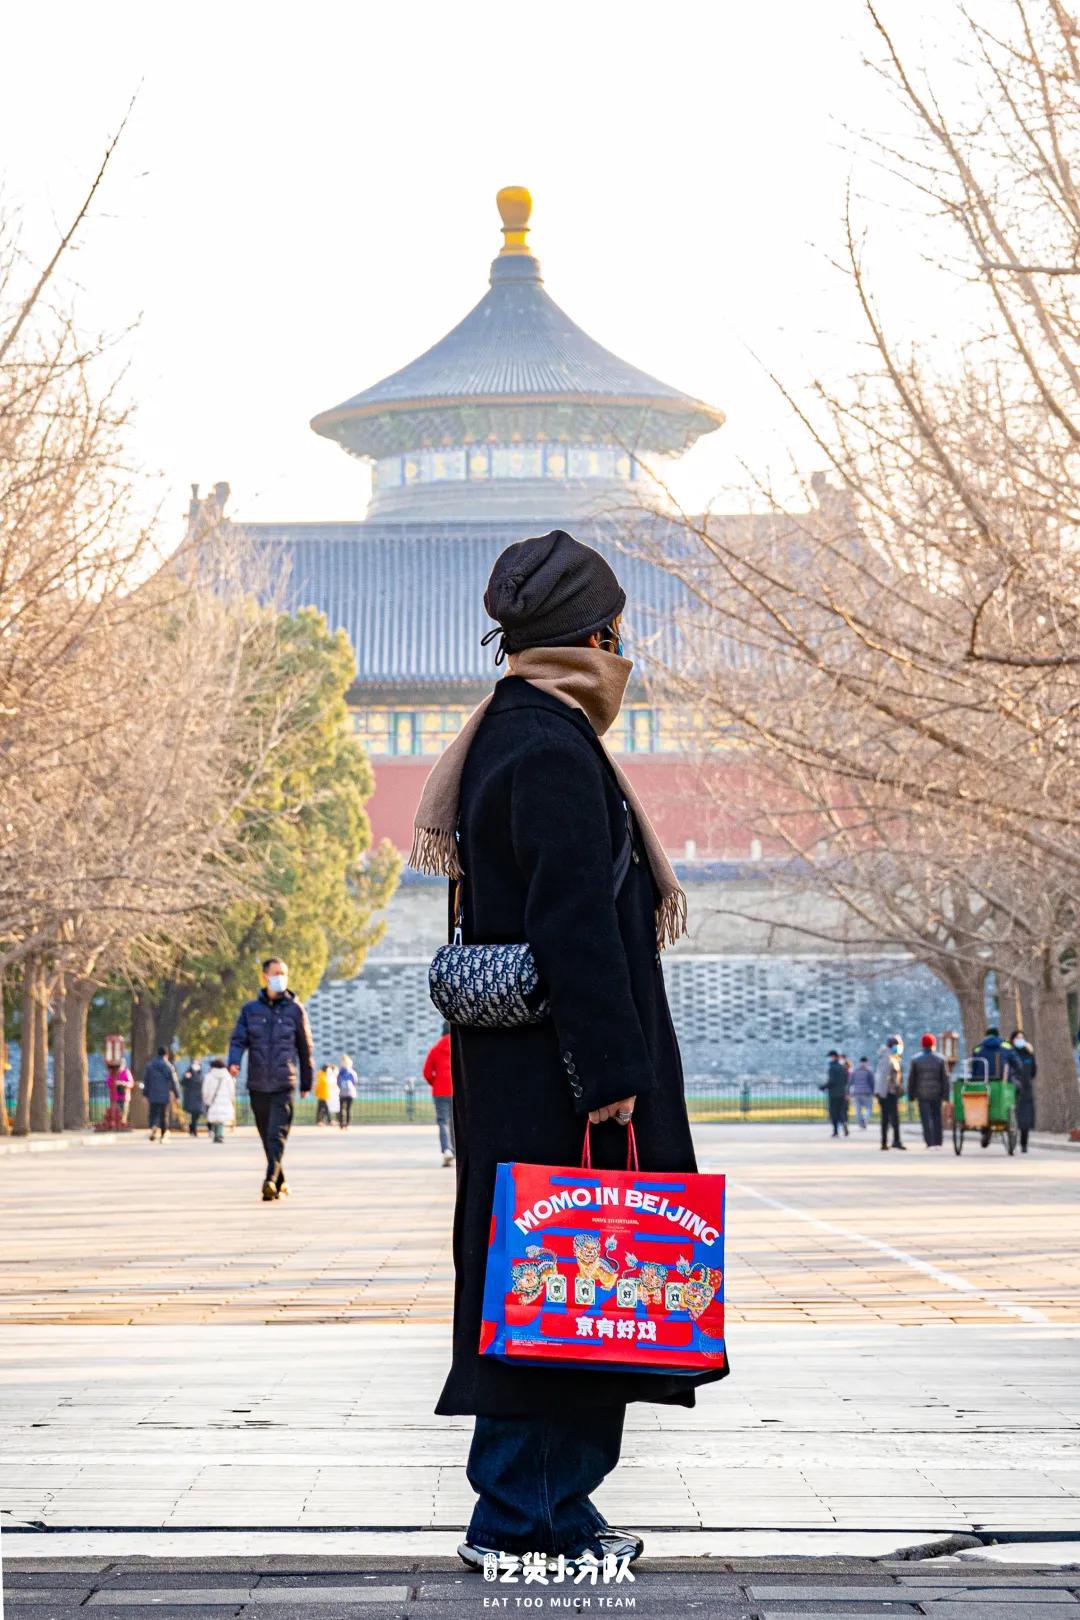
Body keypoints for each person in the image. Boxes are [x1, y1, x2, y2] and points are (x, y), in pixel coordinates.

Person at [408, 530, 725, 1572]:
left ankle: (555, 1507)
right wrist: (613, 1081)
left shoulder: (512, 728)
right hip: (560, 1077)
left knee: (550, 1293)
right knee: (567, 1290)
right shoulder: (547, 746)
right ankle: (519, 1518)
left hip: (529, 1074)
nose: (622, 648)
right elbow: (576, 924)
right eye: (617, 630)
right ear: (592, 636)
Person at [227, 957, 314, 1201]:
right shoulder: (250, 1010)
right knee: (267, 1134)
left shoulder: (295, 1010)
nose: (280, 977)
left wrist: (306, 1082)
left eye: (284, 973)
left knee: (277, 1134)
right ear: (265, 976)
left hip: (284, 1082)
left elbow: (305, 1048)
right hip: (258, 1082)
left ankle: (269, 1180)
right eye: (276, 973)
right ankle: (281, 1181)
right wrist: (234, 1061)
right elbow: (238, 1039)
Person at [971, 1025, 1018, 1148]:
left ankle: (984, 1130)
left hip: (982, 1083)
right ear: (998, 1035)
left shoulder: (978, 1048)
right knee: (1017, 1089)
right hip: (1002, 1083)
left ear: (986, 1036)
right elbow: (1017, 1063)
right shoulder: (1006, 1046)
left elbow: (974, 1068)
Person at [908, 1033, 949, 1149]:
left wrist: (911, 1095)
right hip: (937, 1093)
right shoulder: (940, 1059)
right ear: (933, 1044)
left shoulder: (916, 1060)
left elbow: (912, 1079)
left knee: (926, 1118)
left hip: (922, 1094)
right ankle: (938, 1141)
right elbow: (945, 1079)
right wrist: (946, 1096)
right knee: (937, 1117)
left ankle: (929, 1142)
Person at [423, 1022, 455, 1165]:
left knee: (443, 1121)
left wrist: (435, 1082)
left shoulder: (435, 1049)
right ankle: (456, 1150)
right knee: (456, 1122)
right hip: (456, 1090)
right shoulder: (458, 1047)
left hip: (440, 1090)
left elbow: (427, 1072)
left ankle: (447, 1149)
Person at [874, 1034, 906, 1151]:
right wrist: (882, 1094)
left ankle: (894, 1140)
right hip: (887, 1093)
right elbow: (883, 1077)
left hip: (890, 1092)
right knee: (887, 1118)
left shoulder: (892, 1056)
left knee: (892, 1118)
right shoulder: (887, 1057)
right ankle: (886, 1141)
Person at [142, 1047, 180, 1143]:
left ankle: (153, 1126)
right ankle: (163, 1136)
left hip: (153, 1094)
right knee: (164, 1115)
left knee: (153, 1113)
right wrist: (177, 1095)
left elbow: (146, 1081)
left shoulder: (150, 1066)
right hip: (164, 1094)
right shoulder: (169, 1066)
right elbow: (173, 1082)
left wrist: (145, 1095)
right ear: (166, 1055)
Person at [1009, 1029, 1037, 1152]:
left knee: (1025, 1119)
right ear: (1013, 1039)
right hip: (1012, 1088)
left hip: (1026, 1088)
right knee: (1012, 1115)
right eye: (1017, 1037)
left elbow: (1034, 1070)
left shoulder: (1029, 1053)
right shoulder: (1010, 1053)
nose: (1020, 1040)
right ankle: (1011, 1141)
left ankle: (1024, 1144)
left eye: (1022, 1037)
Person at [202, 1058, 235, 1143]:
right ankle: (219, 1135)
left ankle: (217, 1135)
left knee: (215, 1119)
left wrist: (205, 1099)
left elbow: (205, 1090)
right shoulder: (227, 1076)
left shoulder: (209, 1076)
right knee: (221, 1119)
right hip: (225, 1100)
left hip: (213, 1100)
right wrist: (231, 1098)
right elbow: (232, 1089)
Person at [820, 1050, 850, 1138]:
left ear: (834, 1057)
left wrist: (823, 1087)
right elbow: (846, 1080)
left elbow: (831, 1081)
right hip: (842, 1093)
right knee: (841, 1111)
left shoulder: (832, 1068)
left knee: (834, 1112)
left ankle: (836, 1131)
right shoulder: (842, 1068)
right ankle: (844, 1123)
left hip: (833, 1094)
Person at [181, 1059, 206, 1137]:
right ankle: (194, 1131)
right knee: (194, 1114)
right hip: (190, 1096)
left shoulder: (201, 1073)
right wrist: (186, 1077)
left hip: (199, 1096)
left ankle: (191, 1127)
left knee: (197, 1114)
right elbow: (182, 1083)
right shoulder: (188, 1073)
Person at [848, 1056, 875, 1129]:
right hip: (867, 1093)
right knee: (869, 1109)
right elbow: (872, 1083)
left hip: (856, 1093)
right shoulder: (869, 1071)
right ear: (867, 1062)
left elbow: (850, 1082)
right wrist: (873, 1092)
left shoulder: (855, 1071)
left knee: (858, 1110)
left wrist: (848, 1092)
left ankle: (861, 1122)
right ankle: (865, 1119)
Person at [337, 1055, 358, 1129]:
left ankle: (341, 1123)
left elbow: (338, 1082)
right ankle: (347, 1124)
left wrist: (341, 1087)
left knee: (341, 1108)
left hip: (342, 1092)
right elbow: (355, 1081)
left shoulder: (341, 1072)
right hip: (350, 1092)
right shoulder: (352, 1072)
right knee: (348, 1109)